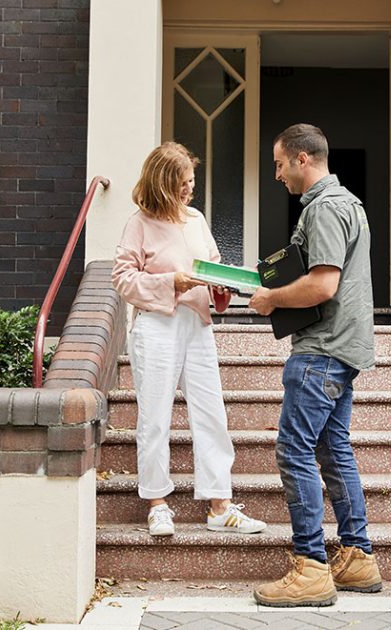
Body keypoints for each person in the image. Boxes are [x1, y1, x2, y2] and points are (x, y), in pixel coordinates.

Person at [250, 124, 382, 607]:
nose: (277, 174)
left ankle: (309, 567)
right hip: (343, 350)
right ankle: (357, 557)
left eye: (279, 163)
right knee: (333, 451)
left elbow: (323, 285)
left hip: (321, 352)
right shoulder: (348, 203)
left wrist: (270, 299)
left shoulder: (325, 208)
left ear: (303, 159)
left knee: (294, 451)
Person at [112, 141, 266, 538]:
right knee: (155, 416)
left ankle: (220, 505)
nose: (189, 189)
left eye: (192, 181)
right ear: (163, 183)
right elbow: (123, 279)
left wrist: (224, 286)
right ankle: (158, 504)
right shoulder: (139, 223)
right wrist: (170, 282)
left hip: (196, 324)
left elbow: (210, 267)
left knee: (212, 412)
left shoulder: (196, 219)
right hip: (156, 324)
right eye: (183, 183)